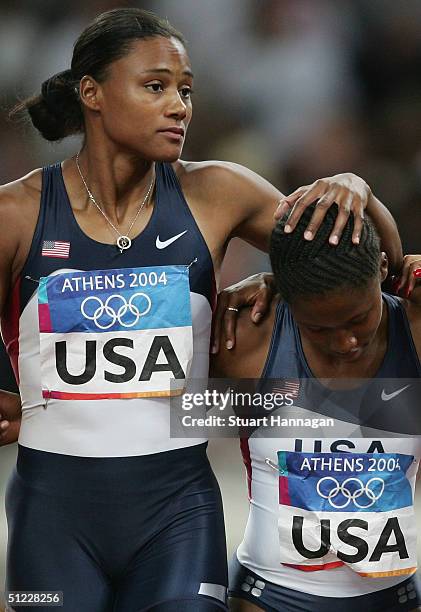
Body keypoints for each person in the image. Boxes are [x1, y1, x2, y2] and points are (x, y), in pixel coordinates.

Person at [0, 7, 402, 612]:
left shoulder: (219, 193)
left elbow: (370, 268)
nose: (179, 106)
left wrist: (356, 191)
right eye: (155, 87)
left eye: (186, 91)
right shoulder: (19, 211)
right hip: (55, 512)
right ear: (93, 95)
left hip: (177, 509)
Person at [211, 206, 421, 612]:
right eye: (319, 328)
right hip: (269, 596)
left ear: (381, 271)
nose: (346, 342)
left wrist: (362, 191)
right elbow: (169, 428)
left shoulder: (414, 329)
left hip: (394, 598)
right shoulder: (247, 341)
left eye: (360, 319)